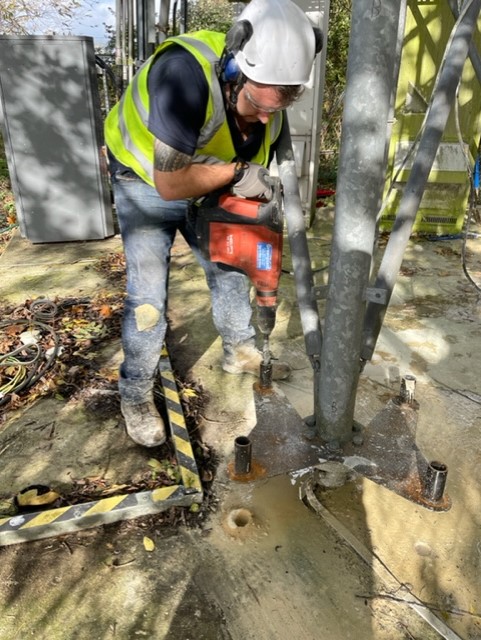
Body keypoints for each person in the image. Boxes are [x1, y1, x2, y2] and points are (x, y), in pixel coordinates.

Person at [104, 0, 323, 448]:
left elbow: (255, 147)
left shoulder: (267, 98)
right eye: (256, 105)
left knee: (228, 266)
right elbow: (170, 184)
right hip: (145, 178)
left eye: (274, 109)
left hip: (208, 174)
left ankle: (240, 351)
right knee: (148, 294)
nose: (266, 117)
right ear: (234, 69)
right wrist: (237, 174)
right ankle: (136, 394)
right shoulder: (183, 75)